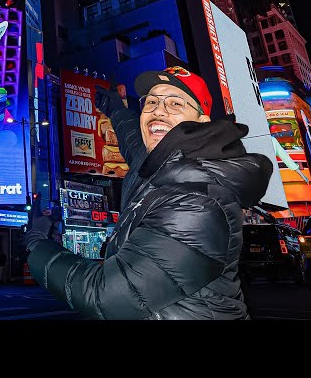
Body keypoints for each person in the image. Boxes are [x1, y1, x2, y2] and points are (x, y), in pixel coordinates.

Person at [25, 66, 273, 320]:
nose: (158, 110)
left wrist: (38, 244)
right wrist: (115, 109)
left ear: (202, 122)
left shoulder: (200, 202)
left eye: (175, 103)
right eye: (151, 101)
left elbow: (106, 296)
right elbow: (134, 139)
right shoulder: (158, 163)